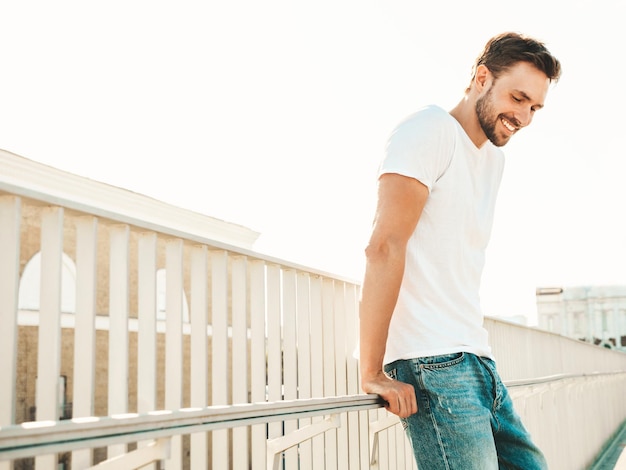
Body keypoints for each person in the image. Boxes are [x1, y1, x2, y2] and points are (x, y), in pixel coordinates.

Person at [359, 32, 561, 469]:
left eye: (535, 107)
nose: (524, 116)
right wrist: (373, 371)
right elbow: (384, 246)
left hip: (476, 358)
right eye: (518, 98)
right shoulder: (428, 129)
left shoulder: (493, 159)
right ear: (481, 77)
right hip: (431, 361)